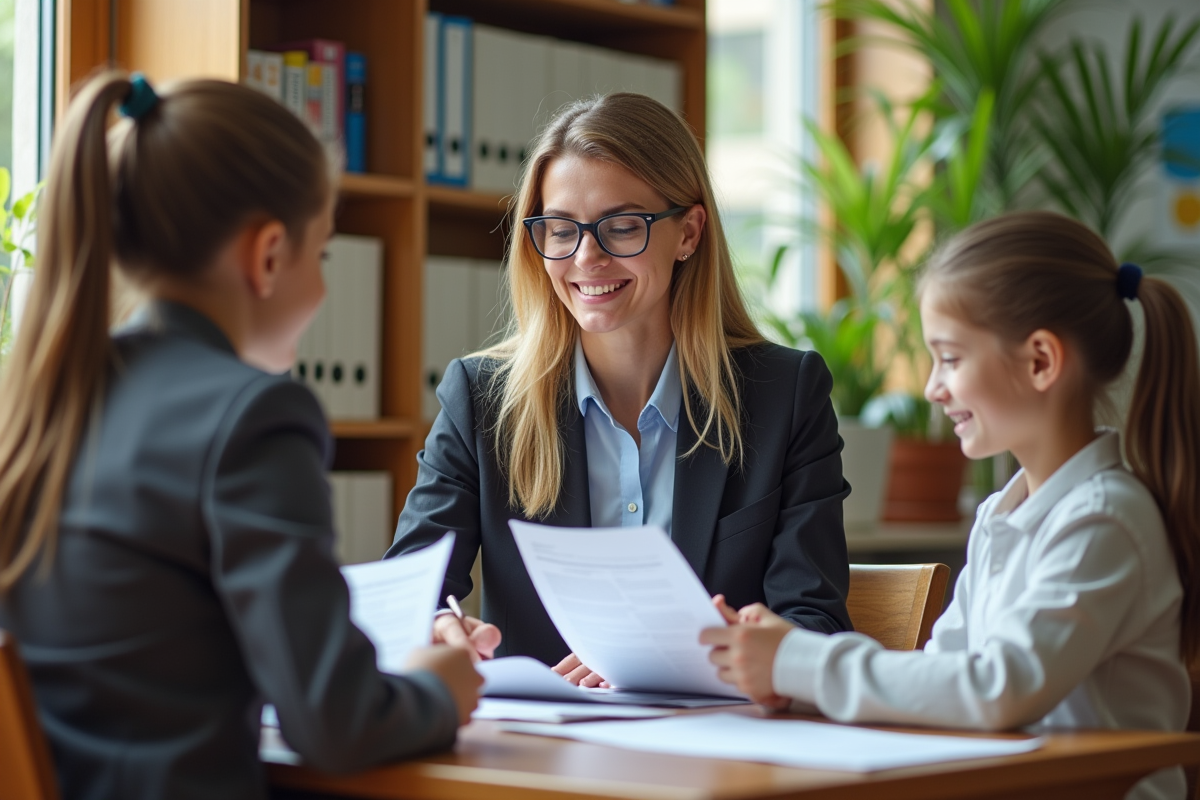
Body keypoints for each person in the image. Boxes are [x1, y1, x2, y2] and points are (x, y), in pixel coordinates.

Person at [0, 72, 481, 800]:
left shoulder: (37, 402)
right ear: (267, 255)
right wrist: (438, 691)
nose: (322, 289)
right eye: (321, 256)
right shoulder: (253, 417)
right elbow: (337, 721)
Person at [703, 211, 1200, 800]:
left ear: (1040, 361)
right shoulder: (999, 517)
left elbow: (997, 690)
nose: (932, 387)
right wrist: (780, 664)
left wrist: (799, 661)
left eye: (951, 358)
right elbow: (939, 680)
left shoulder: (1106, 518)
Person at [388, 92, 853, 684]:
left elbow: (814, 626)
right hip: (543, 756)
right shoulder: (481, 400)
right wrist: (434, 627)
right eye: (560, 230)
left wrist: (671, 653)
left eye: (622, 227)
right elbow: (411, 595)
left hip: (717, 752)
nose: (587, 257)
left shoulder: (784, 395)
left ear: (688, 233)